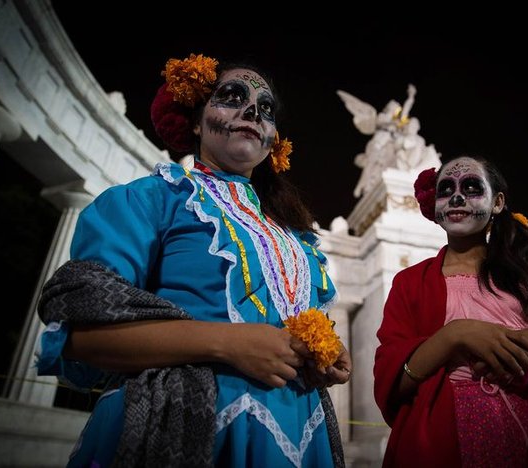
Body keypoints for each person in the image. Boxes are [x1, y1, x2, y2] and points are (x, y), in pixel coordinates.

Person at [36, 53, 351, 468]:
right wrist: (226, 343)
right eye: (232, 96)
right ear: (197, 121)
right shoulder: (153, 198)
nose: (252, 110)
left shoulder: (297, 239)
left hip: (303, 438)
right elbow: (81, 336)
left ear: (274, 140)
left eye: (265, 108)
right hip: (182, 427)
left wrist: (322, 353)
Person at [373, 156, 528, 467]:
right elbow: (391, 386)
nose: (456, 197)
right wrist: (455, 336)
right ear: (434, 205)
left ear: (497, 203)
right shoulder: (410, 283)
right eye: (446, 189)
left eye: (471, 187)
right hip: (440, 442)